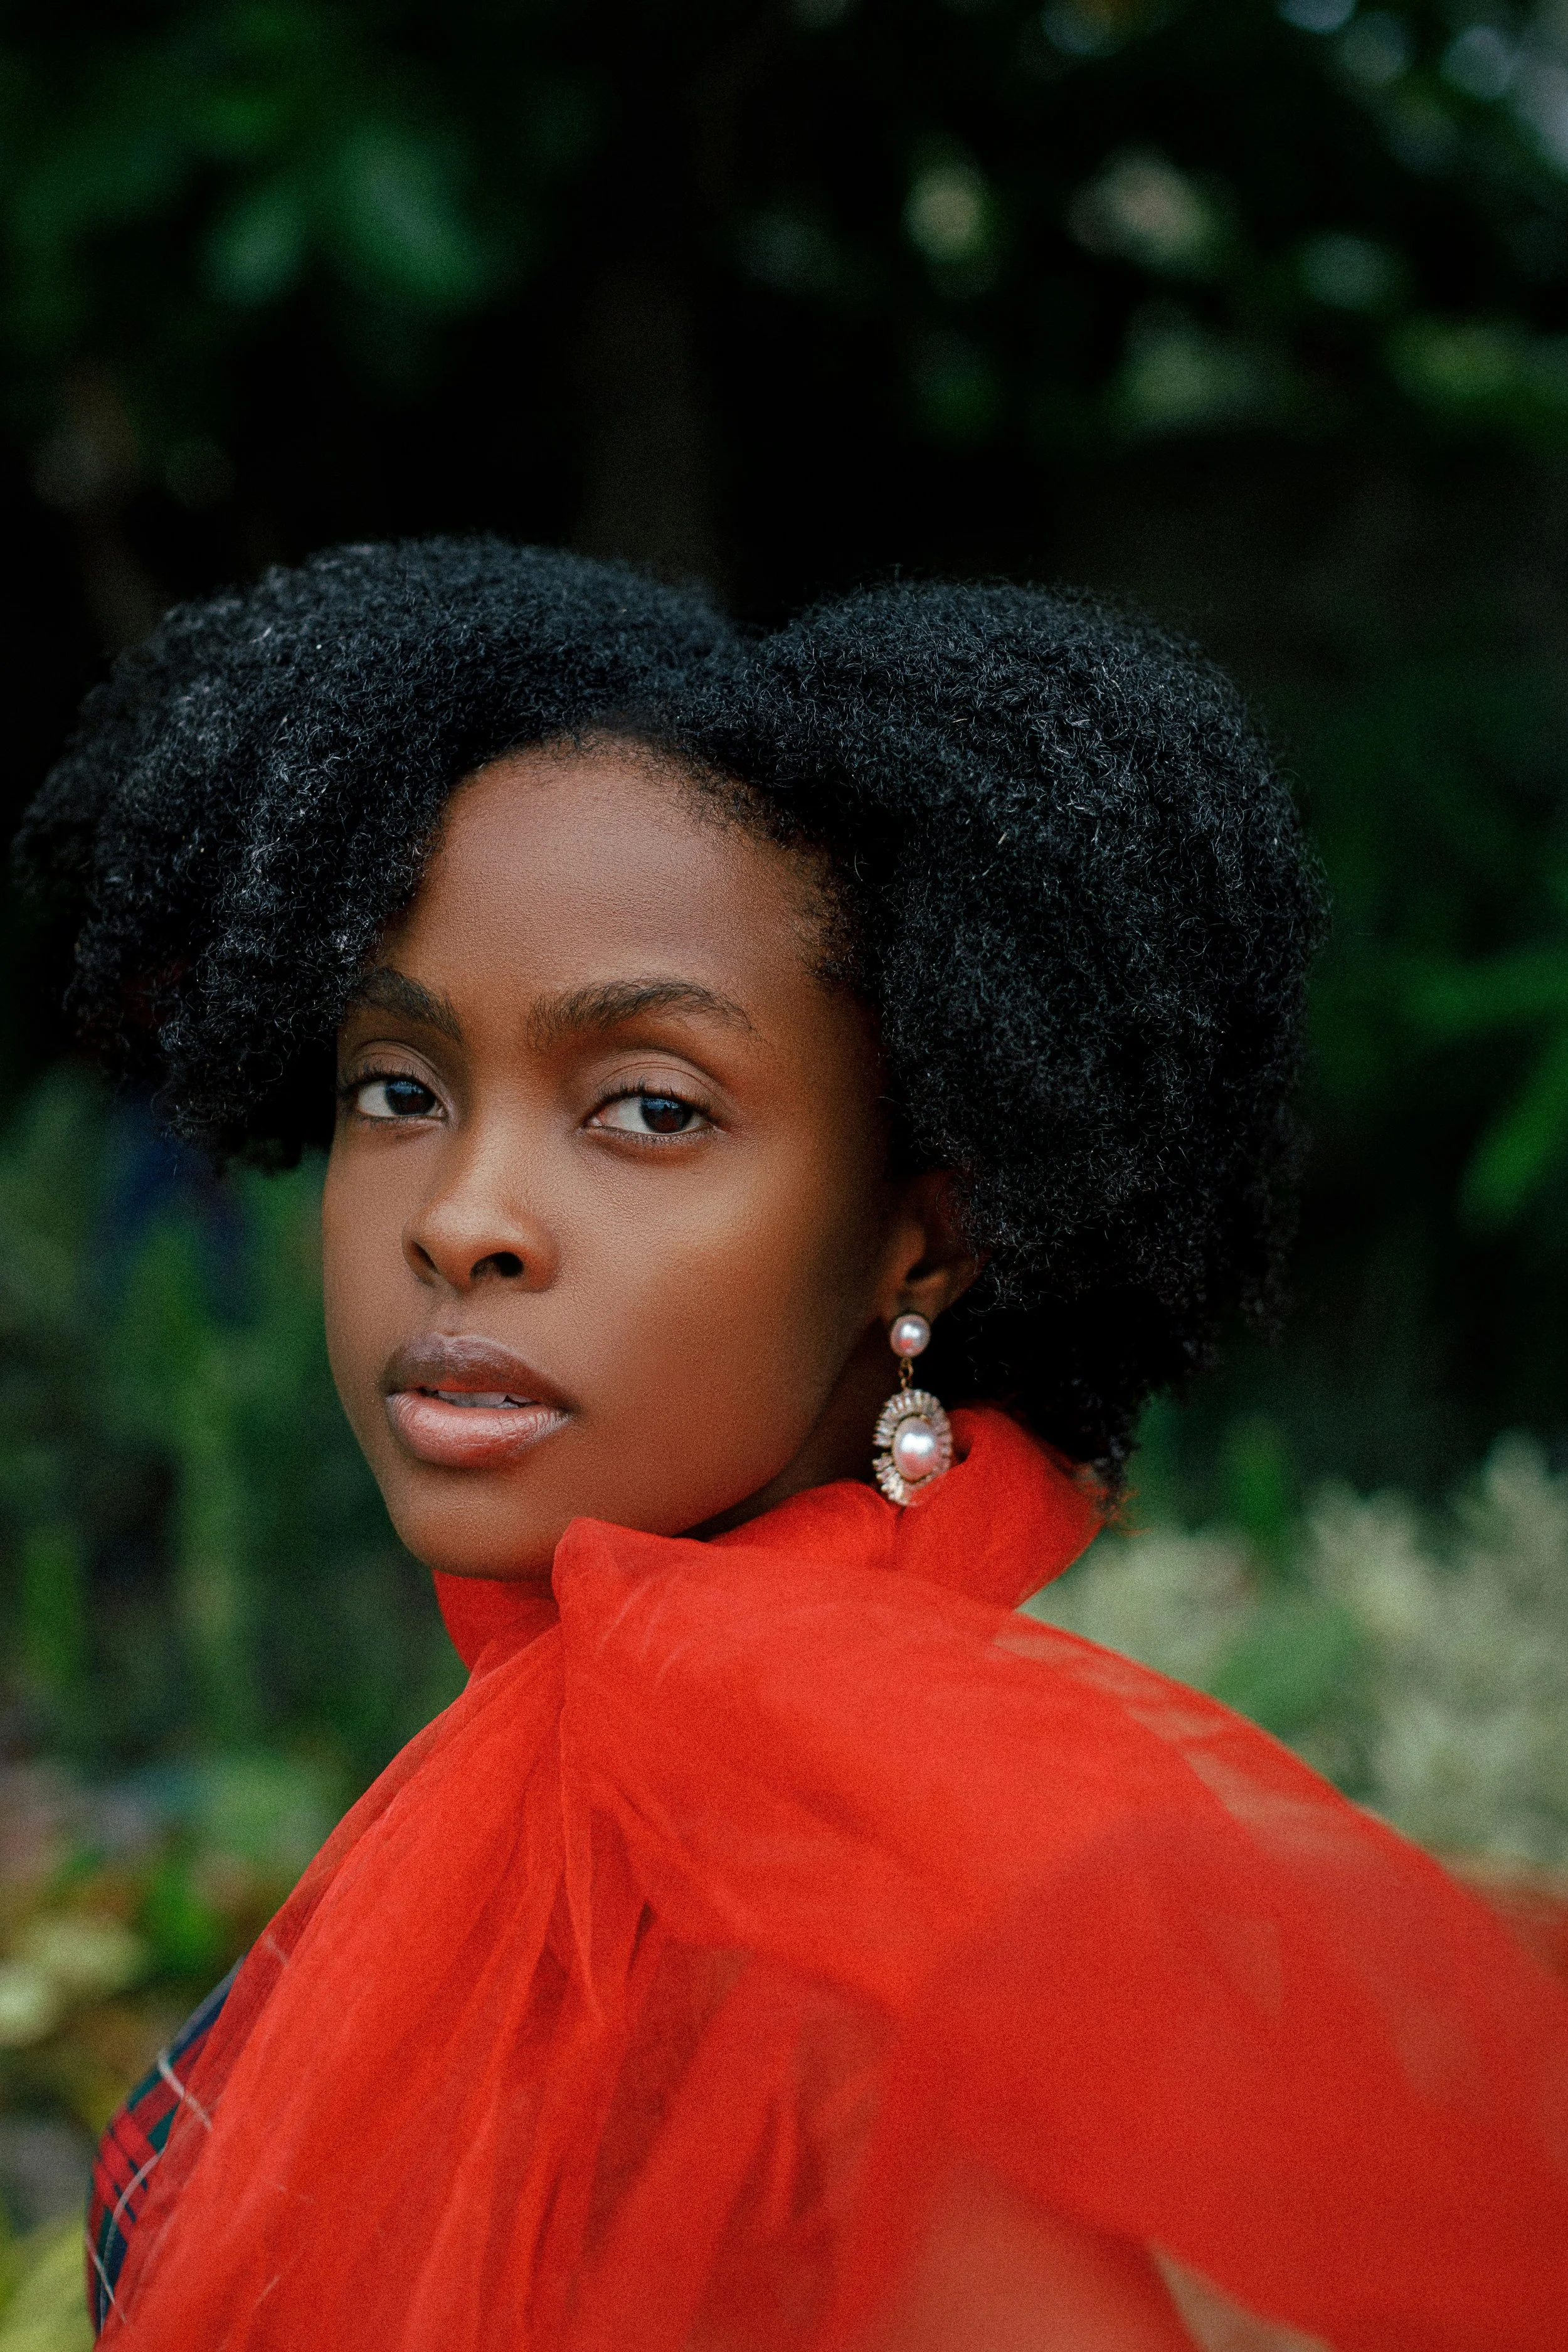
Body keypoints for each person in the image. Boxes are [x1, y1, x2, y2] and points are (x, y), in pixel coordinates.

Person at [17, 539, 1566, 2351]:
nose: (463, 1213)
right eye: (399, 1088)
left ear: (926, 1234)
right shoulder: (552, 1792)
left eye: (648, 1107)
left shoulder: (854, 1949)